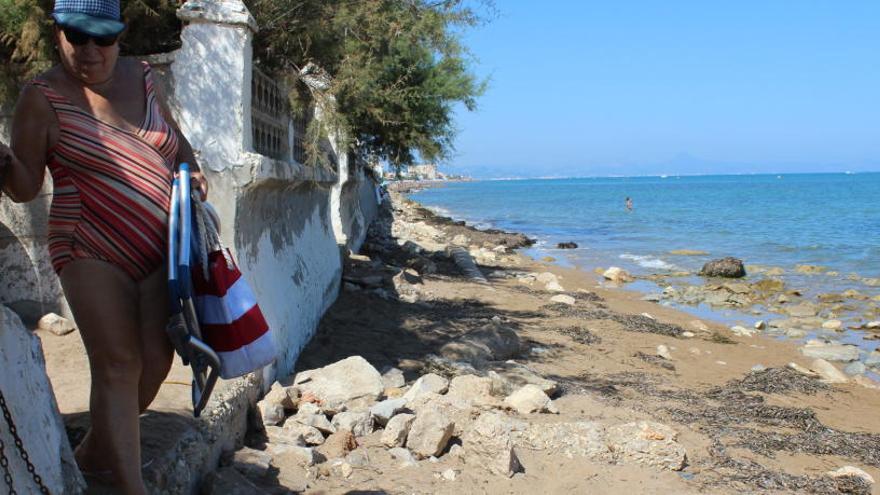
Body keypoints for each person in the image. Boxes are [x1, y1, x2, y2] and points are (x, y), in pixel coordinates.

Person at [0, 0, 207, 492]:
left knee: (156, 362)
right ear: (58, 34)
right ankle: (130, 486)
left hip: (159, 244)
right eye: (77, 36)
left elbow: (176, 143)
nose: (90, 51)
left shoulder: (143, 78)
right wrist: (5, 164)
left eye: (103, 38)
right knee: (118, 362)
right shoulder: (42, 96)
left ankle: (94, 451)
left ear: (121, 36)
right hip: (87, 242)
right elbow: (27, 185)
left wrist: (193, 172)